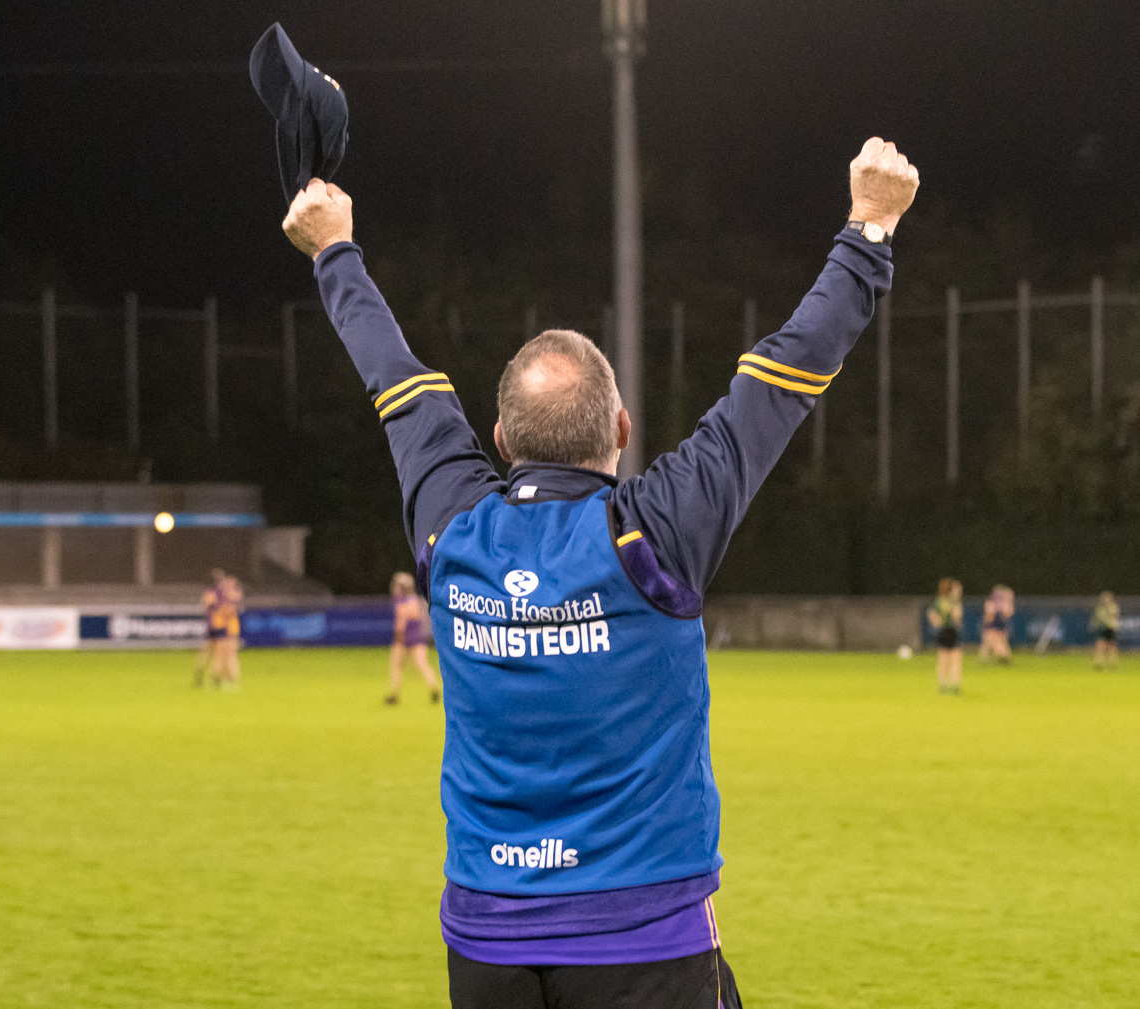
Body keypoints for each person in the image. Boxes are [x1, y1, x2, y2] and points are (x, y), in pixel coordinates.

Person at [281, 136, 918, 1007]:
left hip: (485, 945)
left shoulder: (454, 529)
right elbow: (780, 378)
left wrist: (334, 249)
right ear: (620, 431)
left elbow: (399, 384)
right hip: (642, 945)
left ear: (501, 445)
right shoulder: (653, 533)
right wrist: (869, 226)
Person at [386, 571, 441, 705]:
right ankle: (434, 689)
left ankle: (394, 695)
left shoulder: (402, 604)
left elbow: (400, 626)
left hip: (404, 640)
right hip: (419, 639)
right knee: (423, 665)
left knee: (396, 666)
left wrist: (397, 640)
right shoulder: (417, 601)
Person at [927, 578, 964, 693]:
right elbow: (957, 617)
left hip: (941, 631)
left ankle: (942, 685)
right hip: (952, 631)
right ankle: (954, 685)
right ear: (951, 590)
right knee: (955, 660)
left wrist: (937, 622)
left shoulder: (939, 601)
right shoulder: (954, 602)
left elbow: (931, 613)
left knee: (942, 660)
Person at [194, 568, 225, 687]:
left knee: (206, 651)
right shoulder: (221, 592)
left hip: (210, 625)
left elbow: (204, 607)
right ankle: (216, 679)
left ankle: (199, 671)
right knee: (219, 653)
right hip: (220, 625)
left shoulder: (208, 593)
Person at [979, 583, 1014, 665]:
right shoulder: (993, 603)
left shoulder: (996, 604)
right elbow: (989, 616)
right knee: (989, 644)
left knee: (996, 643)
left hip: (995, 626)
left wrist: (1009, 599)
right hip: (994, 626)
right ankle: (989, 660)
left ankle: (1003, 657)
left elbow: (1008, 613)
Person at [1091, 591, 1120, 670]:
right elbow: (1098, 618)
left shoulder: (1113, 607)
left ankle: (1112, 663)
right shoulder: (1100, 608)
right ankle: (1099, 662)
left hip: (1110, 628)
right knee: (1100, 645)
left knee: (1111, 646)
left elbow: (1114, 616)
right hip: (1103, 628)